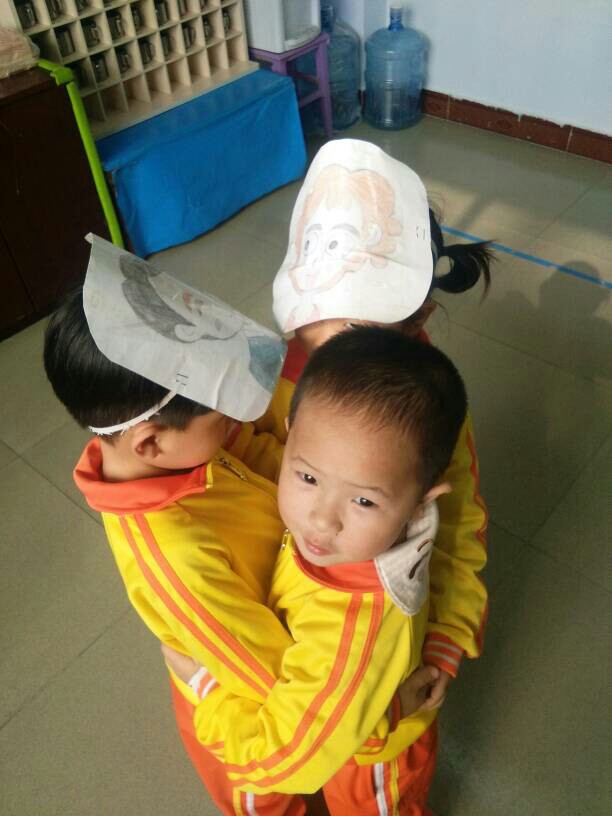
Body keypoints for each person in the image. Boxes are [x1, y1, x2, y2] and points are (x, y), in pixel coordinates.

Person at [44, 236, 433, 816]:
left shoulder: (181, 449)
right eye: (222, 408)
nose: (238, 415)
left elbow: (258, 446)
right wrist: (379, 714)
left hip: (285, 619)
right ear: (149, 442)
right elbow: (284, 695)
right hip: (245, 723)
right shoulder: (174, 561)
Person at [164, 326, 468, 814]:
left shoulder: (354, 627)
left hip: (375, 758)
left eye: (363, 501)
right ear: (290, 436)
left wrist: (205, 686)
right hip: (346, 722)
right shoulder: (359, 529)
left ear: (422, 502)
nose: (321, 520)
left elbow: (282, 764)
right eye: (307, 477)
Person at [261, 139, 491, 708]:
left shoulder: (425, 413)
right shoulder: (277, 373)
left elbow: (459, 528)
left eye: (353, 337)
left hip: (384, 628)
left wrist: (447, 636)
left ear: (417, 323)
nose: (325, 355)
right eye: (309, 326)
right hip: (300, 604)